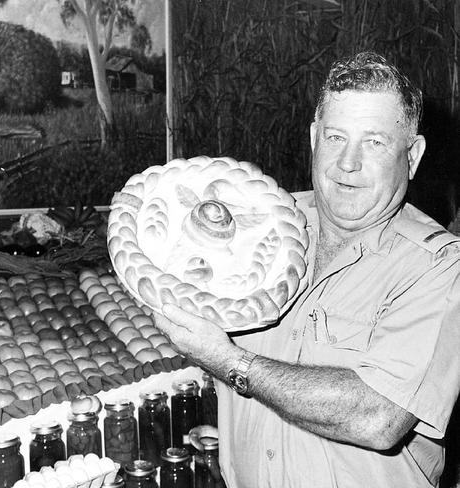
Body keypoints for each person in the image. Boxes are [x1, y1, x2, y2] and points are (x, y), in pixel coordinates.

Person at [154, 51, 460, 487]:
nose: (348, 162)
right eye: (336, 137)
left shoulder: (439, 269)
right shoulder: (262, 225)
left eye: (374, 142)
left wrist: (230, 362)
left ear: (412, 156)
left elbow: (378, 416)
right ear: (315, 138)